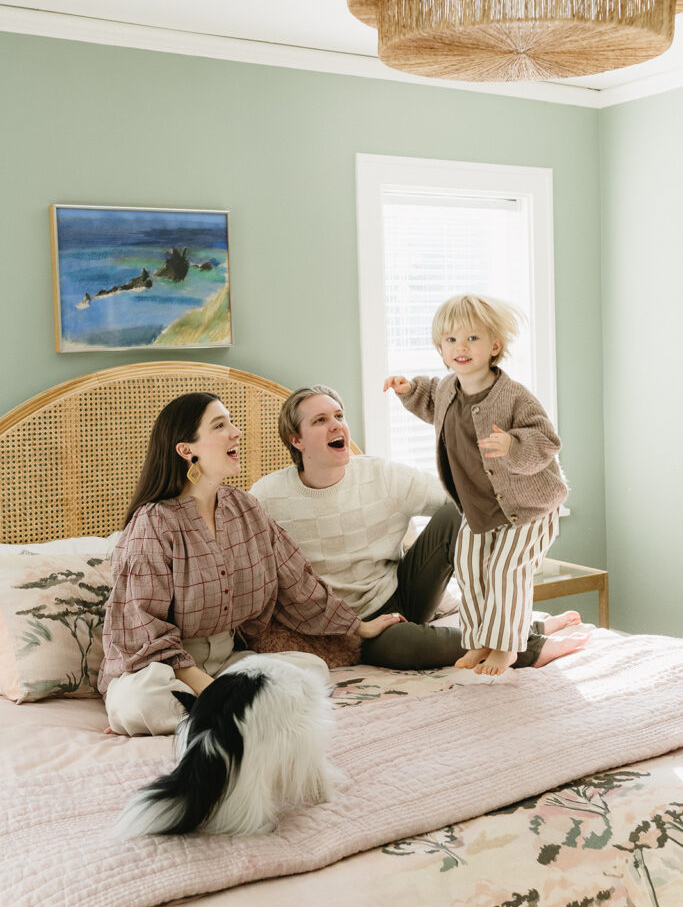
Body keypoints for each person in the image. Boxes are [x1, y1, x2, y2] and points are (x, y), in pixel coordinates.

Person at [97, 392, 400, 736]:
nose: (236, 432)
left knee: (311, 669)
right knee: (141, 701)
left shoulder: (245, 507)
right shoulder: (153, 522)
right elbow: (143, 628)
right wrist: (206, 688)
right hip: (163, 670)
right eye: (220, 425)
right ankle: (233, 714)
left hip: (228, 665)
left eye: (231, 422)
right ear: (187, 450)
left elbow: (297, 581)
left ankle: (211, 716)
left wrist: (359, 626)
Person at [250, 385, 586, 671]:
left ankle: (509, 630)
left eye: (339, 415)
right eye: (320, 420)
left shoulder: (381, 474)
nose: (336, 425)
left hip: (402, 593)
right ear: (296, 440)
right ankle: (529, 641)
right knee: (404, 648)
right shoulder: (267, 496)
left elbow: (457, 500)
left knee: (457, 514)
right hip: (349, 627)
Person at [385, 293, 573, 677]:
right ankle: (481, 640)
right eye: (451, 340)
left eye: (472, 338)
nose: (461, 347)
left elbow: (546, 441)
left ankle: (507, 646)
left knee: (506, 570)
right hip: (477, 507)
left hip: (527, 508)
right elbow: (431, 403)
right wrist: (408, 391)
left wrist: (512, 445)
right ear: (440, 349)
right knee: (470, 569)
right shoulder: (446, 390)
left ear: (494, 346)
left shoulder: (513, 395)